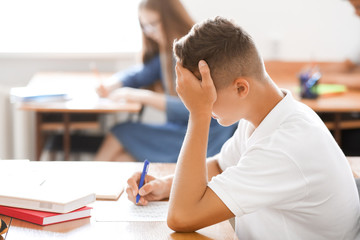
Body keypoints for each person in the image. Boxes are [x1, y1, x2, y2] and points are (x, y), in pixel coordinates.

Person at [125, 17, 360, 239]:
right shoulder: (265, 116)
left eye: (206, 95)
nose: (199, 101)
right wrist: (167, 184)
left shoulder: (285, 145)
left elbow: (182, 216)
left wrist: (199, 113)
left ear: (241, 88)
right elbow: (220, 165)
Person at [95, 0, 236, 162]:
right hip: (180, 128)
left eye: (153, 24)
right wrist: (113, 84)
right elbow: (138, 75)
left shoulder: (195, 54)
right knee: (123, 159)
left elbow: (196, 107)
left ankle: (89, 185)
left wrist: (140, 96)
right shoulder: (167, 52)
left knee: (120, 132)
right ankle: (95, 186)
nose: (149, 32)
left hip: (207, 134)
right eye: (144, 26)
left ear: (170, 19)